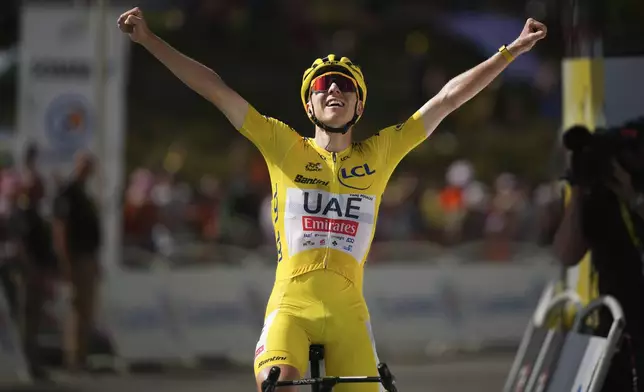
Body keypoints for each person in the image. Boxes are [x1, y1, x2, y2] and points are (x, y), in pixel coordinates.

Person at [117, 7, 546, 391]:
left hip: (349, 317)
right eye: (323, 85)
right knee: (278, 384)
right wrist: (151, 40)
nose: (333, 90)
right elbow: (214, 88)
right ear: (309, 102)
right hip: (291, 306)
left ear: (358, 105)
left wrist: (510, 52)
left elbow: (448, 98)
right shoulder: (282, 144)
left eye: (345, 86)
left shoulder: (380, 154)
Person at [553, 120, 644, 392]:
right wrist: (578, 191)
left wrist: (632, 195)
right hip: (617, 329)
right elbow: (566, 254)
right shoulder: (595, 197)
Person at [52, 152, 101, 372]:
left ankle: (82, 356)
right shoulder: (68, 192)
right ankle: (73, 357)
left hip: (88, 257)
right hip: (76, 256)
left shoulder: (84, 194)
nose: (87, 170)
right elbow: (60, 227)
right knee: (76, 309)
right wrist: (65, 261)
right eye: (85, 166)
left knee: (87, 310)